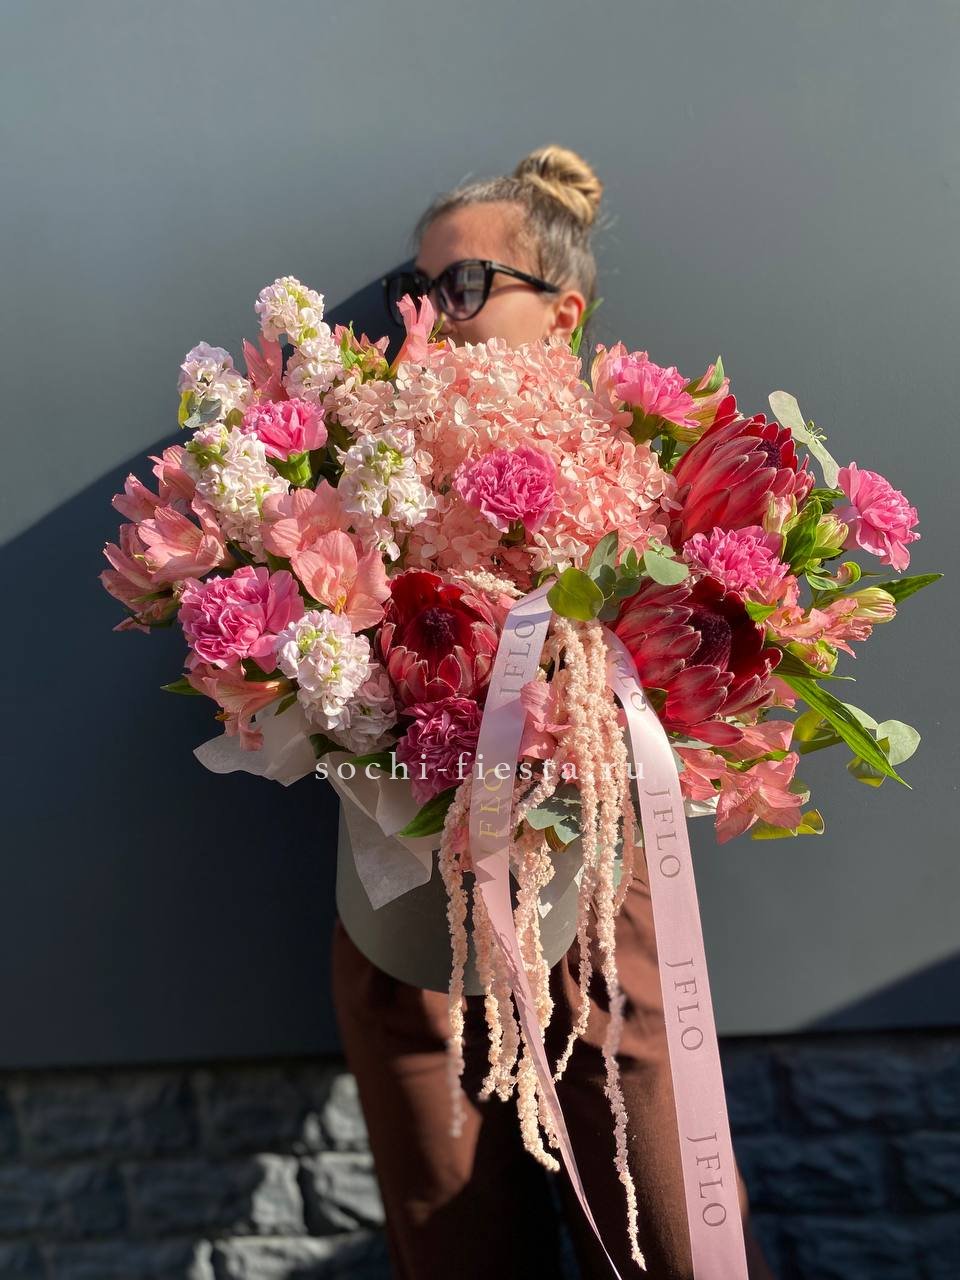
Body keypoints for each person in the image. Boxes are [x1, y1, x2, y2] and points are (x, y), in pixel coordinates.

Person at [331, 145, 776, 1280]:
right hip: (408, 901)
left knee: (667, 1230)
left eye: (466, 285)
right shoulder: (368, 455)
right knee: (455, 1239)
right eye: (419, 288)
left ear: (562, 312)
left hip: (587, 889)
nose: (435, 312)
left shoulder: (636, 465)